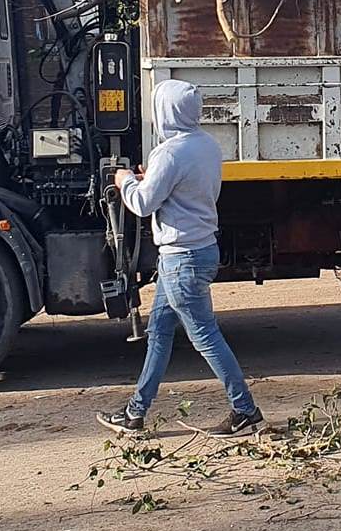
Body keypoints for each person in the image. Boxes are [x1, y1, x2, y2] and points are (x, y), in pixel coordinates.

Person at [97, 80, 263, 438]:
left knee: (204, 335)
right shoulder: (207, 146)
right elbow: (183, 188)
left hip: (180, 258)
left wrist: (126, 180)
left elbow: (142, 204)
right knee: (158, 333)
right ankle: (135, 412)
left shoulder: (168, 153)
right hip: (200, 250)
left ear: (164, 112)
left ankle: (245, 409)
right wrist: (149, 179)